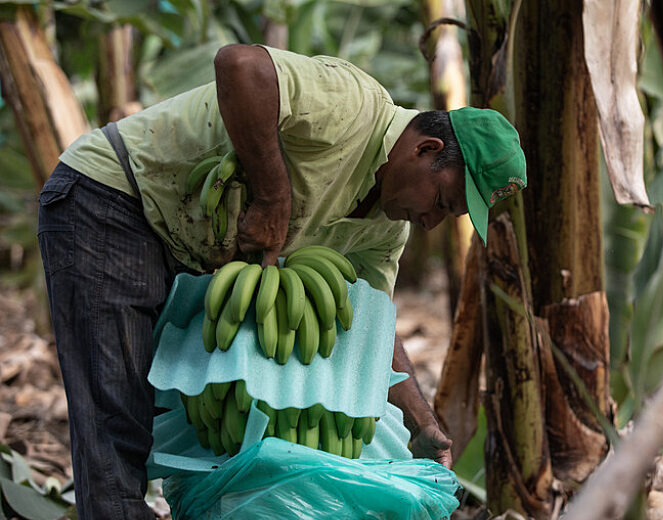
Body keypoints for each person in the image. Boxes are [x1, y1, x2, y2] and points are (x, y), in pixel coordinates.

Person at [36, 43, 527, 519]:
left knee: (159, 413)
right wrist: (273, 197)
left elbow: (369, 326)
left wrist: (421, 421)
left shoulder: (384, 228)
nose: (431, 224)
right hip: (115, 196)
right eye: (442, 203)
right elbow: (240, 64)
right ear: (426, 149)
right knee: (115, 409)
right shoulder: (354, 106)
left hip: (182, 247)